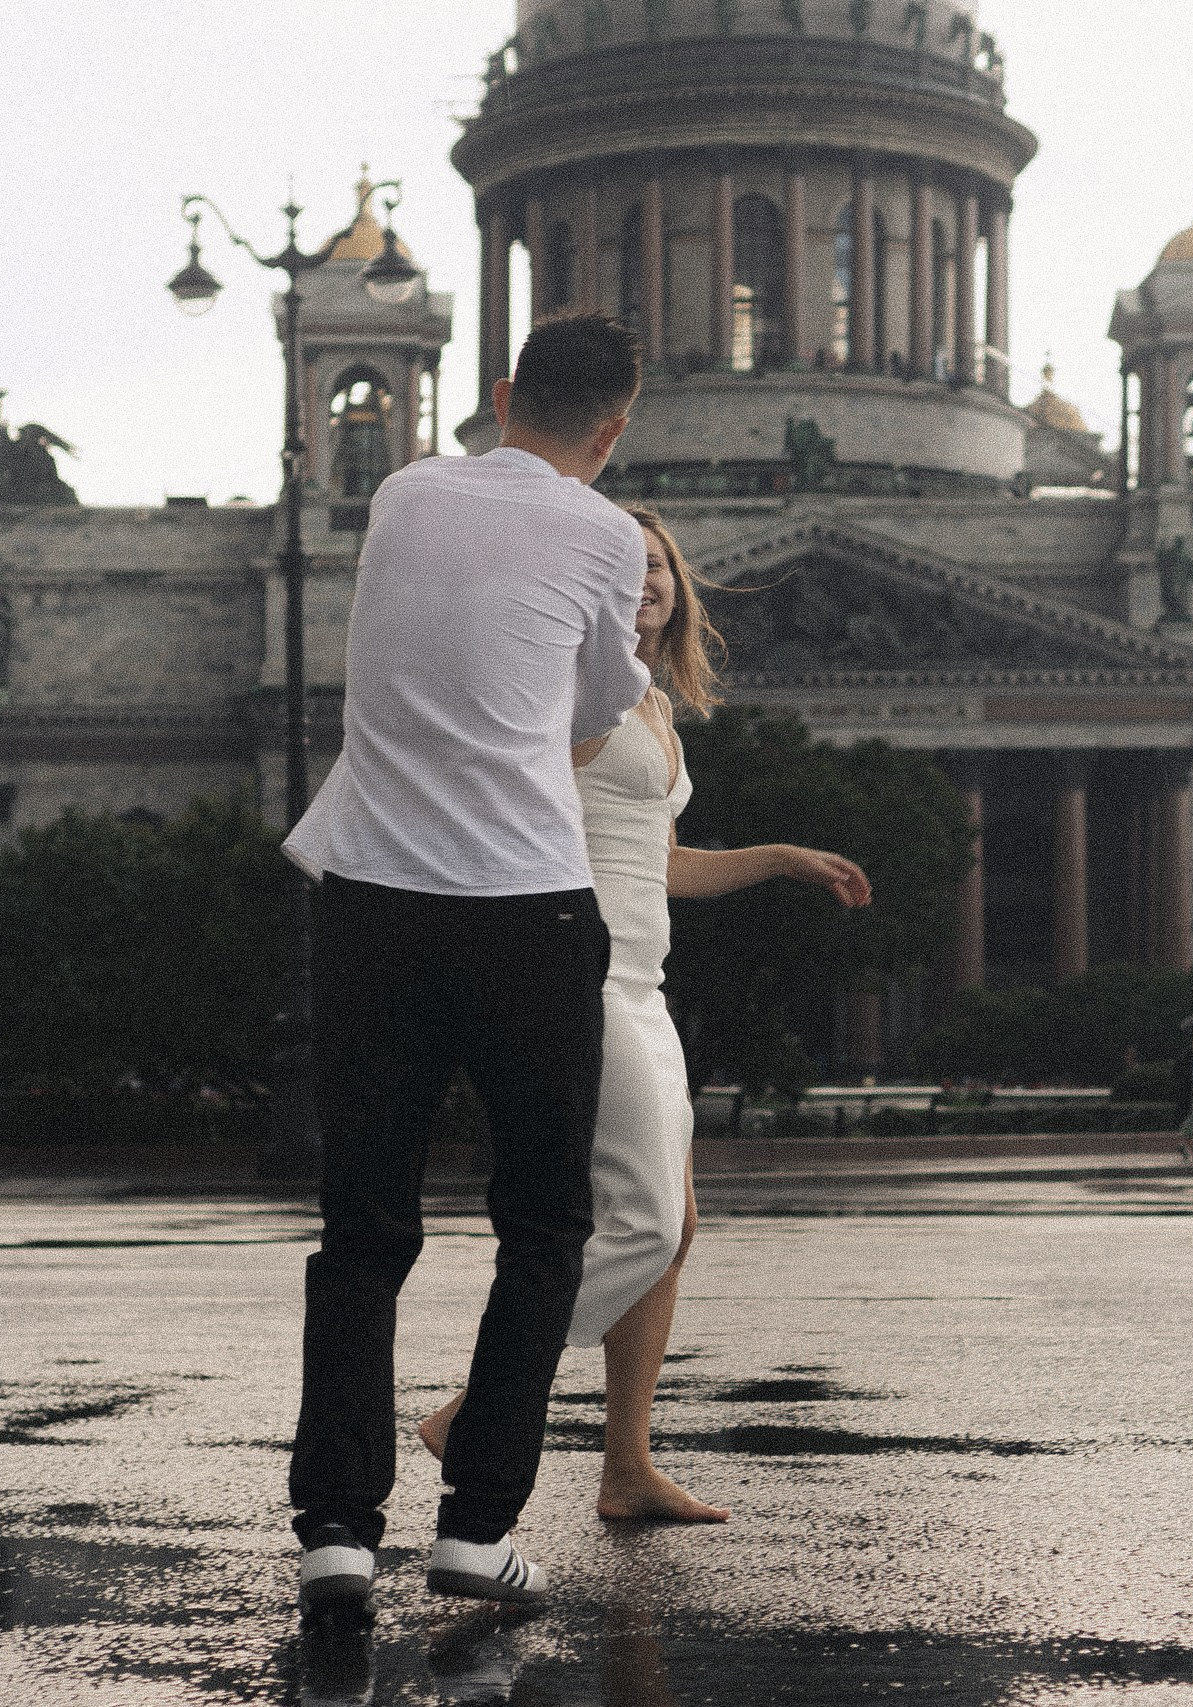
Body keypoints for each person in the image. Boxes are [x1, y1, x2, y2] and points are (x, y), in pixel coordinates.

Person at [279, 312, 654, 1614]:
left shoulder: (400, 491)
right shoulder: (610, 533)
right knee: (543, 1225)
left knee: (361, 1227)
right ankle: (474, 1528)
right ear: (613, 429)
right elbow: (598, 716)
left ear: (500, 393)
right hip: (524, 911)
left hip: (370, 902)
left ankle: (334, 1525)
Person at [418, 507, 871, 1526]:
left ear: (680, 587)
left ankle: (626, 1466)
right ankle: (482, 1407)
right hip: (577, 975)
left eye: (659, 566)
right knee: (645, 1219)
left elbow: (657, 865)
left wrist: (785, 860)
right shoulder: (574, 694)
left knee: (675, 1226)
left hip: (641, 980)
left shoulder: (655, 709)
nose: (647, 582)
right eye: (625, 567)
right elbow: (503, 806)